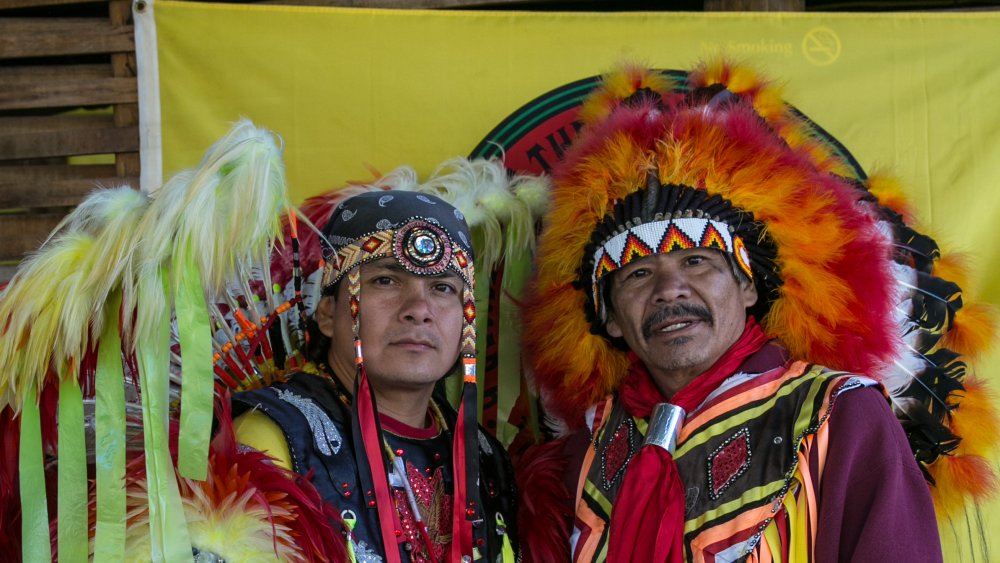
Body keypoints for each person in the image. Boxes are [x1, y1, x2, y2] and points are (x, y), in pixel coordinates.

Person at [515, 62, 992, 562]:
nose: (669, 289)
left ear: (746, 286)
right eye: (637, 274)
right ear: (610, 317)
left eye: (696, 261)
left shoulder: (839, 414)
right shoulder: (587, 450)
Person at [232, 190, 519, 563]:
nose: (419, 310)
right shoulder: (273, 440)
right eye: (386, 280)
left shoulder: (485, 457)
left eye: (443, 288)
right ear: (326, 314)